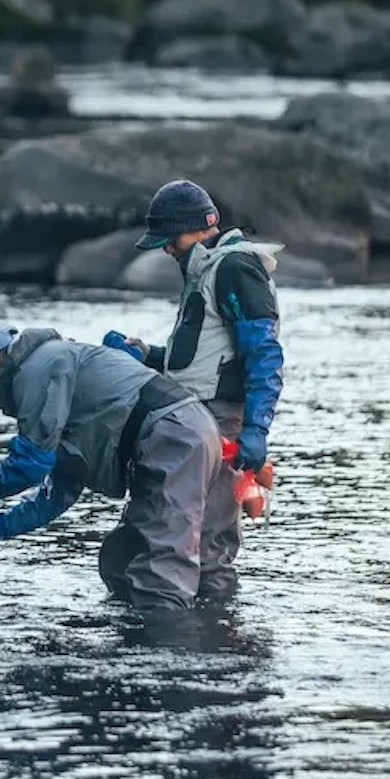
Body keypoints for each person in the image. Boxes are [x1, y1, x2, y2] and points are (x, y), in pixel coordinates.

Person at [0, 320, 230, 611]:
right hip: (183, 433)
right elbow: (57, 494)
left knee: (160, 572)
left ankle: (170, 646)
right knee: (122, 562)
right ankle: (204, 628)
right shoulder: (56, 383)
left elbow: (29, 465)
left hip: (173, 439)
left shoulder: (38, 367)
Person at [101, 179, 285, 599]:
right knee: (168, 531)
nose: (166, 249)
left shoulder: (236, 268)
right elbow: (207, 357)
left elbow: (264, 356)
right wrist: (146, 354)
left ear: (196, 228)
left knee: (209, 543)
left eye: (170, 239)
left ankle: (215, 639)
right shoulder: (206, 267)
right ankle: (189, 636)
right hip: (189, 417)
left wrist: (256, 430)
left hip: (220, 426)